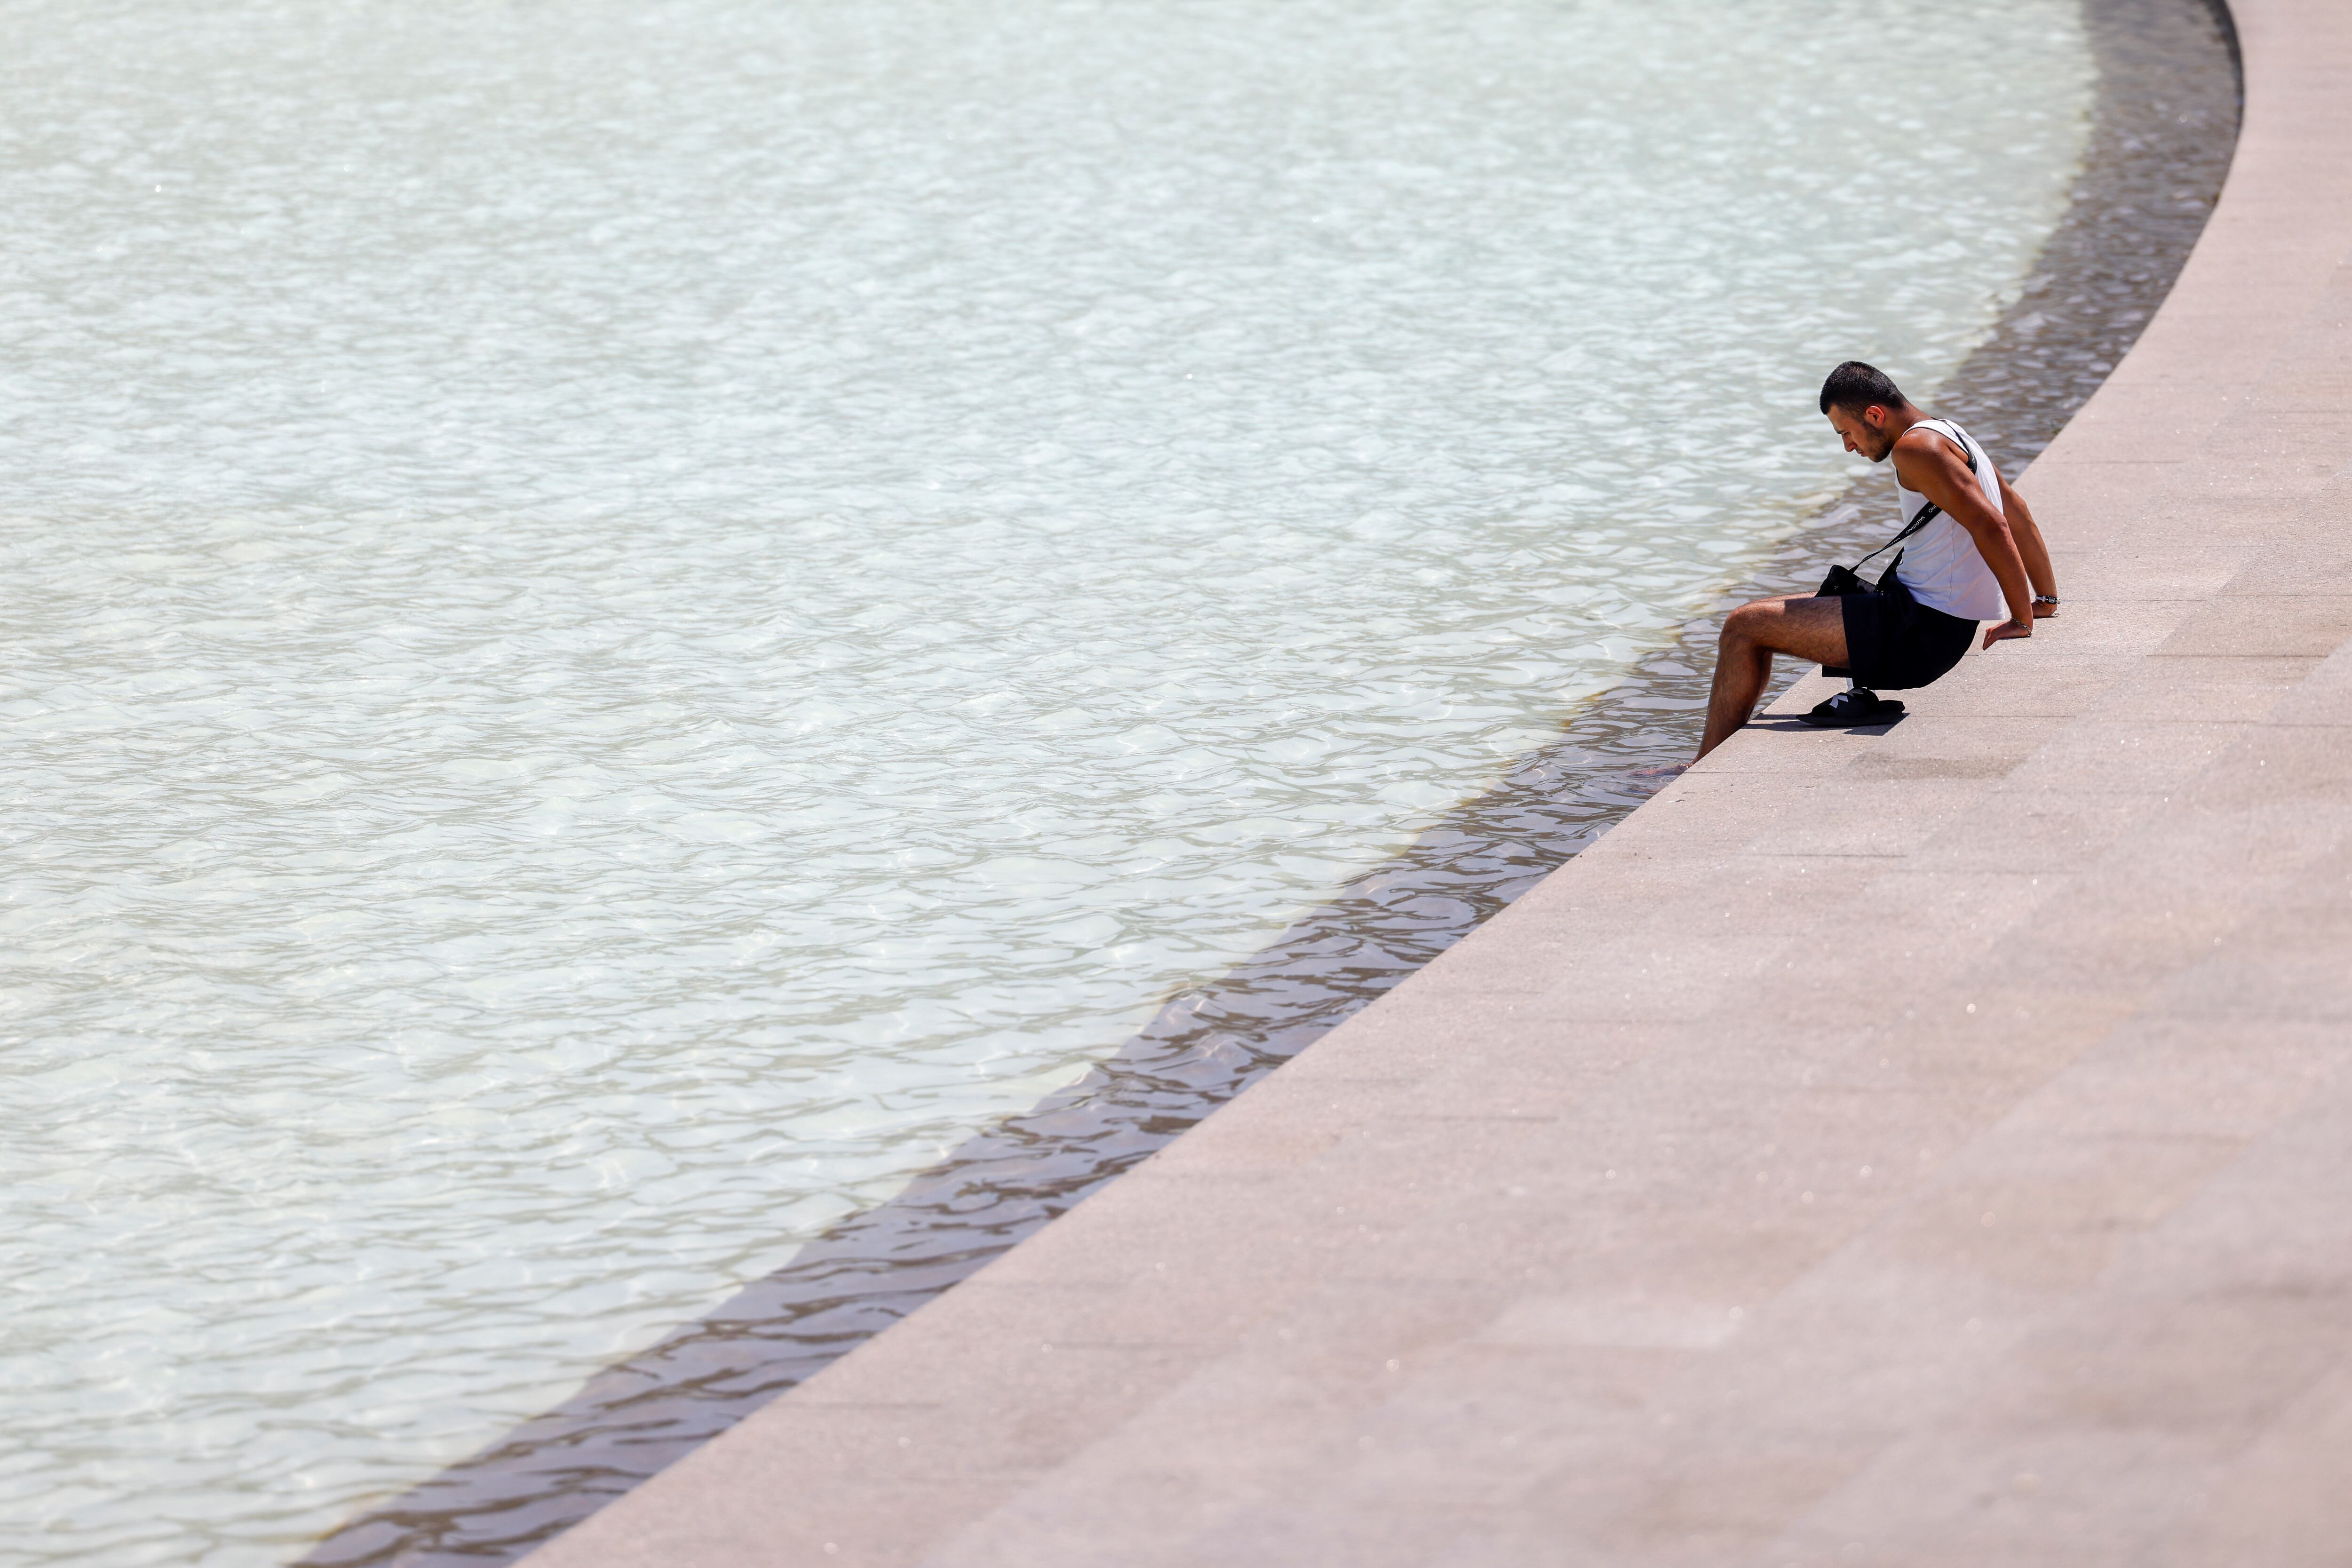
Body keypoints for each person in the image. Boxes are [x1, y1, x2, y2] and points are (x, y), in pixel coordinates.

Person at [1692, 361, 2059, 761]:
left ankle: (1697, 766)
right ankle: (1711, 756)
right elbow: (2016, 508)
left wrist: (2021, 619)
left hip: (1919, 631)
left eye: (1846, 432)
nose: (1848, 446)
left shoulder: (1915, 449)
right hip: (1924, 621)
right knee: (1770, 616)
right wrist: (2046, 599)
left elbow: (1994, 525)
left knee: (1742, 627)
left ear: (1875, 415)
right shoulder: (1950, 432)